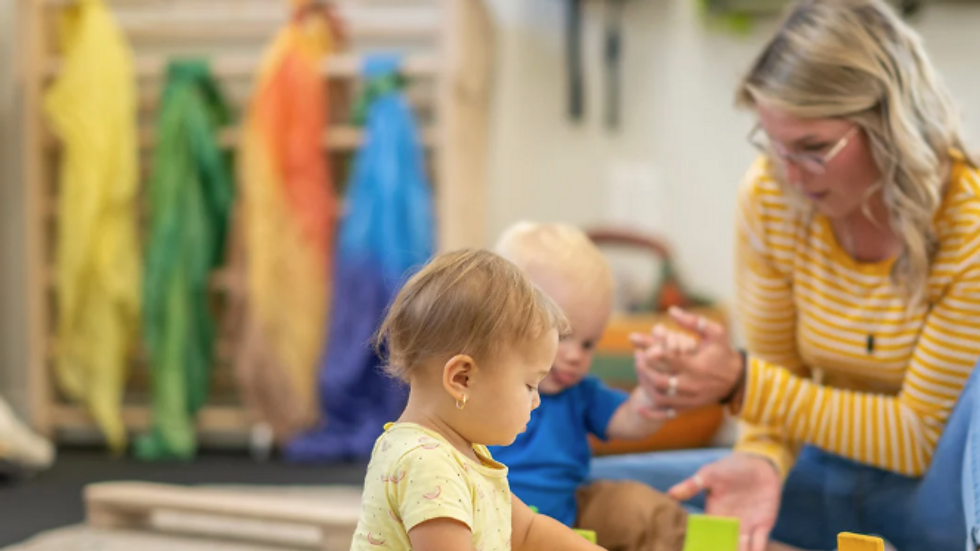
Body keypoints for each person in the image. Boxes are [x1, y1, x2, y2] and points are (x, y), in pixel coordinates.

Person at [590, 0, 980, 549]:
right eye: (772, 143)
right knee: (585, 492)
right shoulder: (770, 193)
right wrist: (761, 460)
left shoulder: (968, 219)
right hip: (827, 466)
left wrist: (740, 382)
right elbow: (779, 378)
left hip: (937, 497)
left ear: (888, 126)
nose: (790, 174)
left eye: (813, 148)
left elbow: (916, 438)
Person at [351, 249, 605, 551]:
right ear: (462, 379)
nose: (536, 401)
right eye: (529, 384)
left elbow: (527, 531)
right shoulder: (427, 464)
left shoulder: (458, 453)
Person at [488, 222, 688, 551]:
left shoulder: (580, 394)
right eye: (563, 336)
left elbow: (631, 420)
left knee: (637, 507)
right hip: (488, 527)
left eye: (589, 343)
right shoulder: (484, 387)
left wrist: (655, 391)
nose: (575, 357)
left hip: (567, 525)